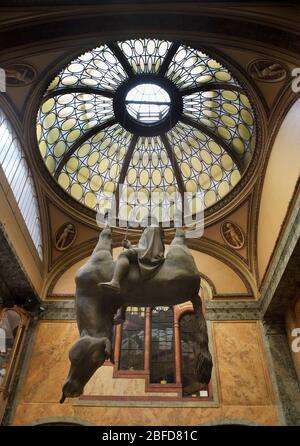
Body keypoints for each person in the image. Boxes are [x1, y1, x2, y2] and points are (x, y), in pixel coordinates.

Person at [98, 216, 165, 295]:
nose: (141, 226)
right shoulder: (152, 229)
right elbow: (142, 247)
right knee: (129, 252)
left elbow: (147, 248)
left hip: (150, 254)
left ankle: (115, 281)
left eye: (143, 222)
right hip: (148, 252)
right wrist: (129, 246)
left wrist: (131, 249)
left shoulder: (151, 228)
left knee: (124, 254)